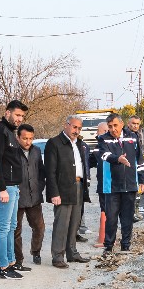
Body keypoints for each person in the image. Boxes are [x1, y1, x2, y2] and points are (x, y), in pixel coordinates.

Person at [0, 99, 29, 280]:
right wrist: (2, 188)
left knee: (12, 226)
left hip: (13, 186)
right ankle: (3, 267)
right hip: (5, 187)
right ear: (7, 112)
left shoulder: (10, 132)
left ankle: (11, 262)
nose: (20, 119)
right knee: (4, 227)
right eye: (17, 115)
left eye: (22, 116)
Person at [44, 114, 91, 268]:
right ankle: (57, 256)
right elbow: (50, 171)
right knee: (61, 224)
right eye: (74, 127)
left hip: (78, 186)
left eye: (79, 128)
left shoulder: (79, 144)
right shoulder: (54, 143)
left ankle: (72, 253)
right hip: (62, 188)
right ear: (66, 125)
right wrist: (53, 193)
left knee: (75, 222)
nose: (76, 131)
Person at [98, 113, 144, 254]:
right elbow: (104, 155)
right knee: (111, 218)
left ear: (122, 124)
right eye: (110, 126)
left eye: (115, 126)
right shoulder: (103, 139)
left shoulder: (133, 137)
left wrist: (142, 180)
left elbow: (140, 160)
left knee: (127, 218)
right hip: (112, 186)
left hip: (130, 185)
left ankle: (125, 245)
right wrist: (118, 159)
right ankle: (108, 246)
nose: (113, 129)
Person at [14, 124, 46, 267]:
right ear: (18, 137)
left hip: (34, 197)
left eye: (31, 138)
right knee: (16, 230)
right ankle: (18, 259)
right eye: (25, 138)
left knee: (39, 227)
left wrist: (40, 187)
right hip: (17, 198)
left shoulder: (37, 151)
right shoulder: (12, 151)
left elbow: (41, 171)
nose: (28, 142)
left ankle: (36, 252)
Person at [88, 121, 108, 248]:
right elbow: (89, 163)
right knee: (104, 208)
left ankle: (107, 237)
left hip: (113, 184)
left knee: (111, 210)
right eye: (103, 131)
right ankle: (104, 236)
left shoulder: (115, 145)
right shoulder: (97, 147)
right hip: (102, 184)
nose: (106, 133)